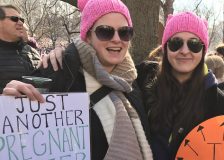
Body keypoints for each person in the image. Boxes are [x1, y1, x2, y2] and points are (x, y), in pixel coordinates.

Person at [3, 0, 153, 159]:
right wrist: (10, 104)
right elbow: (24, 141)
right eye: (105, 31)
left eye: (124, 32)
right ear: (87, 36)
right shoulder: (58, 72)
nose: (116, 39)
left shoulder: (134, 81)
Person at [139, 12, 224, 160]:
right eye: (176, 43)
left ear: (203, 50)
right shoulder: (142, 82)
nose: (184, 51)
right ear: (165, 47)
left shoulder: (219, 104)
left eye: (194, 44)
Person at [0, 4, 40, 93]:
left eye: (21, 19)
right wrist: (3, 96)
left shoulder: (33, 52)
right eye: (14, 19)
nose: (21, 23)